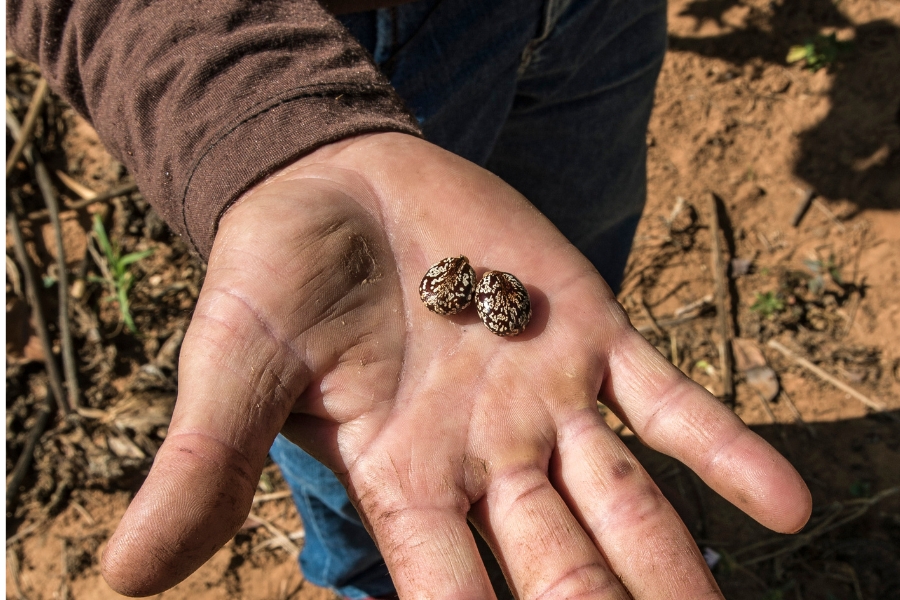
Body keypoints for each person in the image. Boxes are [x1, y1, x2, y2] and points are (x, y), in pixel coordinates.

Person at [8, 0, 813, 598]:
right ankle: (371, 574)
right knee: (365, 420)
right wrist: (264, 111)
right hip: (321, 39)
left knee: (582, 263)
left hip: (598, 23)